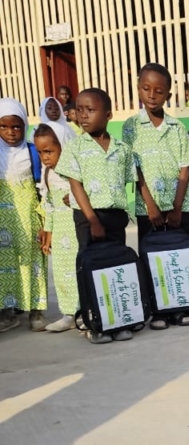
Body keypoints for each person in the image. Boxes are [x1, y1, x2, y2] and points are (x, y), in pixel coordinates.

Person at [122, 62, 189, 329]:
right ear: (138, 89)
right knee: (152, 258)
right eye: (146, 88)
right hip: (149, 207)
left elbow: (186, 166)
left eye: (159, 90)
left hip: (179, 204)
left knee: (179, 257)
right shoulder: (131, 127)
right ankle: (158, 310)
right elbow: (135, 169)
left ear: (169, 94)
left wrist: (177, 207)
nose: (152, 95)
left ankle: (183, 306)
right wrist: (151, 205)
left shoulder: (177, 127)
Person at [57, 88, 137, 344]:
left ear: (108, 115)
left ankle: (119, 319)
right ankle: (96, 323)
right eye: (80, 110)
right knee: (91, 269)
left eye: (90, 110)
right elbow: (75, 185)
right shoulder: (75, 147)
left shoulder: (122, 149)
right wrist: (92, 220)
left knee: (115, 268)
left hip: (115, 216)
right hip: (87, 218)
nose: (83, 115)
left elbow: (128, 181)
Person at [0, 98, 47, 333]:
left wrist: (45, 221)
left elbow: (43, 186)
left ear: (25, 125)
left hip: (29, 216)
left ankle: (36, 312)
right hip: (3, 220)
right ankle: (7, 313)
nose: (11, 132)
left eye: (17, 126)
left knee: (33, 262)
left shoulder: (32, 152)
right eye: (4, 127)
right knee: (6, 265)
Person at [32, 123, 78, 332]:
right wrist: (49, 232)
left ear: (63, 145)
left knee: (78, 271)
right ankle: (68, 314)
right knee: (61, 274)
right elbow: (49, 205)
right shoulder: (48, 174)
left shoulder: (74, 171)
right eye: (40, 152)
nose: (44, 157)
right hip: (60, 234)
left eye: (49, 151)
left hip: (77, 230)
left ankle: (84, 312)